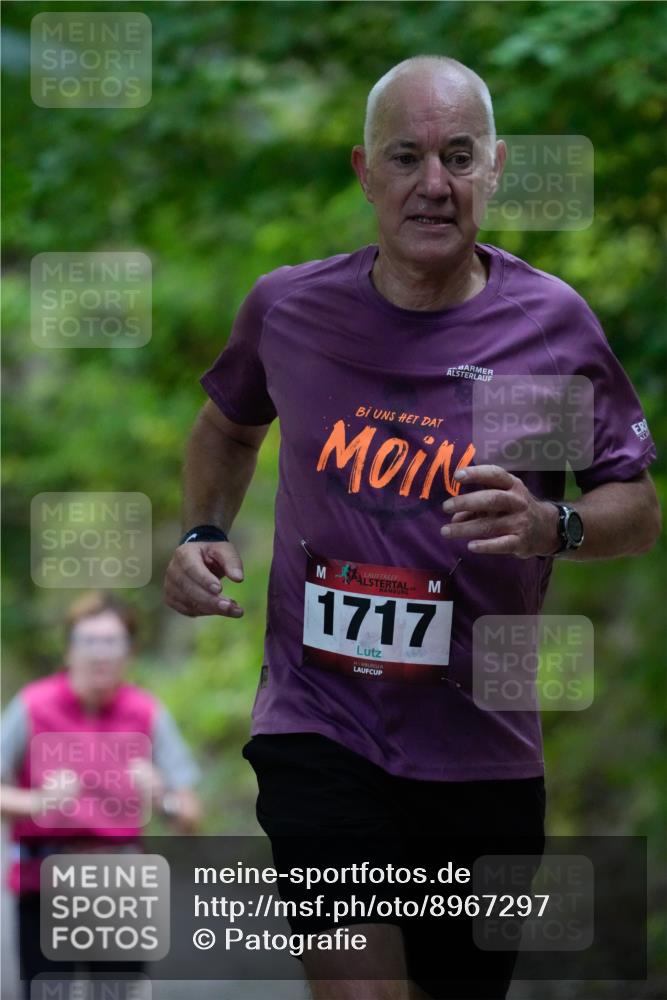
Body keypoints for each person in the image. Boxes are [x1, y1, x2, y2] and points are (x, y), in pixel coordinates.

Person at [164, 55, 660, 1000]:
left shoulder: (545, 331)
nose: (433, 184)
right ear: (363, 172)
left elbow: (633, 507)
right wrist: (197, 535)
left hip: (480, 746)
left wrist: (551, 522)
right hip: (319, 724)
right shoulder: (291, 311)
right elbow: (229, 426)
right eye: (406, 156)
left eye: (458, 157)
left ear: (495, 169)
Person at [0, 591, 202, 998]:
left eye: (113, 643)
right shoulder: (32, 706)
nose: (101, 654)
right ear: (69, 649)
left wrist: (161, 794)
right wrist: (39, 802)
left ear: (129, 652)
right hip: (45, 883)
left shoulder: (147, 713)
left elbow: (190, 815)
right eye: (89, 642)